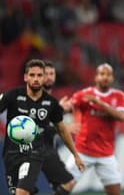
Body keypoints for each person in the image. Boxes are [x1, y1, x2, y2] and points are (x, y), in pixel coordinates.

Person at [0, 59, 85, 195]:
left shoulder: (51, 103)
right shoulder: (12, 95)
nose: (36, 79)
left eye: (39, 75)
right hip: (12, 154)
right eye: (32, 75)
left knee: (22, 192)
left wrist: (76, 155)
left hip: (35, 153)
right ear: (25, 77)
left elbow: (62, 130)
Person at [65, 63, 124, 195]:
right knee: (64, 186)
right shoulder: (84, 94)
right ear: (96, 77)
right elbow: (68, 107)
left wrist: (99, 102)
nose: (105, 77)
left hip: (106, 153)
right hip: (82, 151)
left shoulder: (118, 96)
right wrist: (63, 109)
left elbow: (121, 116)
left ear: (112, 78)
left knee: (115, 192)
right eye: (102, 74)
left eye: (108, 74)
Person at [40, 60, 76, 194]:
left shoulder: (49, 100)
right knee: (68, 182)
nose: (49, 77)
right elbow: (38, 127)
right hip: (39, 150)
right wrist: (64, 128)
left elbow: (46, 119)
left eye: (52, 73)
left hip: (48, 148)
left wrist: (59, 109)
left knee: (59, 186)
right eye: (45, 74)